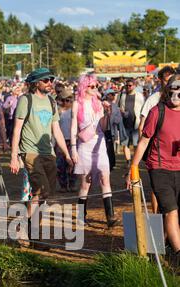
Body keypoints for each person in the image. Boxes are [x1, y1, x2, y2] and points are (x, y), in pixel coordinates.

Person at [10, 67, 74, 245]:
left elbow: (57, 131)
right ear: (36, 83)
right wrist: (14, 156)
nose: (50, 83)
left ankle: (30, 232)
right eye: (46, 80)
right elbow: (17, 129)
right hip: (30, 152)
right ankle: (28, 231)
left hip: (49, 154)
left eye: (51, 80)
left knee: (44, 196)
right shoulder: (26, 100)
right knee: (40, 190)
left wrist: (67, 155)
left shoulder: (52, 102)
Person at [127, 74, 180, 260]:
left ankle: (159, 251)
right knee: (170, 211)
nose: (177, 93)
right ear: (168, 90)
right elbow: (143, 142)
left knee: (174, 213)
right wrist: (132, 170)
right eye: (174, 88)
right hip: (159, 169)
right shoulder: (157, 112)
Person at [71, 74, 118, 227]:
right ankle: (80, 216)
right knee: (86, 183)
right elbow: (73, 128)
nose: (95, 89)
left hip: (99, 143)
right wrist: (73, 149)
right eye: (92, 86)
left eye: (96, 86)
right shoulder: (77, 104)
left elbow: (103, 127)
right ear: (84, 87)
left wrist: (107, 113)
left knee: (105, 178)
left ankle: (110, 216)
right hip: (84, 146)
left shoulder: (98, 103)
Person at [55, 88, 77, 192]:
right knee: (60, 165)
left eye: (68, 100)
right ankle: (63, 185)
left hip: (72, 141)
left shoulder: (74, 110)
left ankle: (72, 184)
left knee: (73, 164)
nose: (65, 102)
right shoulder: (58, 111)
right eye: (63, 100)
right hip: (60, 141)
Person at [119, 79, 144, 167]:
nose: (128, 87)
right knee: (125, 144)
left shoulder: (139, 96)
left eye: (130, 85)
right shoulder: (122, 95)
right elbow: (118, 106)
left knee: (136, 144)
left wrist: (142, 122)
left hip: (136, 124)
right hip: (124, 124)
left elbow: (143, 110)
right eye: (127, 85)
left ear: (134, 86)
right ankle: (128, 162)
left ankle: (135, 161)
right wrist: (121, 112)